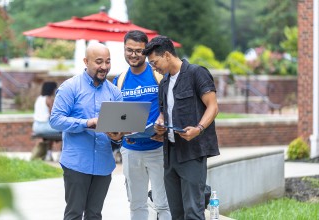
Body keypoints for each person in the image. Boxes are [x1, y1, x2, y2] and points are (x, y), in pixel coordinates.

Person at [142, 36, 220, 220]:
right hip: (170, 155)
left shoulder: (196, 73)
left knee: (193, 211)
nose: (154, 67)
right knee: (175, 213)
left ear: (167, 55)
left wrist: (199, 128)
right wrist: (159, 125)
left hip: (192, 152)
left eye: (155, 62)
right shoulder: (164, 83)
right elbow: (164, 113)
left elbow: (213, 106)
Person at [49, 43, 123, 220]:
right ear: (86, 61)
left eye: (107, 61)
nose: (104, 67)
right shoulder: (70, 87)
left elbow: (119, 127)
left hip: (103, 164)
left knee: (95, 214)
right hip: (77, 163)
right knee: (74, 214)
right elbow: (56, 120)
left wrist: (118, 136)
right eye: (99, 62)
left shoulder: (114, 92)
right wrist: (87, 123)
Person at [113, 30, 171, 220]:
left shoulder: (159, 74)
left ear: (145, 51)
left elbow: (173, 106)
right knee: (136, 204)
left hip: (158, 148)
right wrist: (115, 131)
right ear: (124, 49)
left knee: (163, 203)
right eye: (129, 50)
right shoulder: (119, 81)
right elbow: (115, 116)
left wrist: (164, 122)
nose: (133, 54)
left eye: (138, 51)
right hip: (130, 149)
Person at [32, 81, 60, 161]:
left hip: (36, 127)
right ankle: (61, 154)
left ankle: (49, 154)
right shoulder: (49, 99)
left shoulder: (38, 99)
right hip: (45, 127)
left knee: (51, 134)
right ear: (52, 89)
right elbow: (54, 116)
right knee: (66, 129)